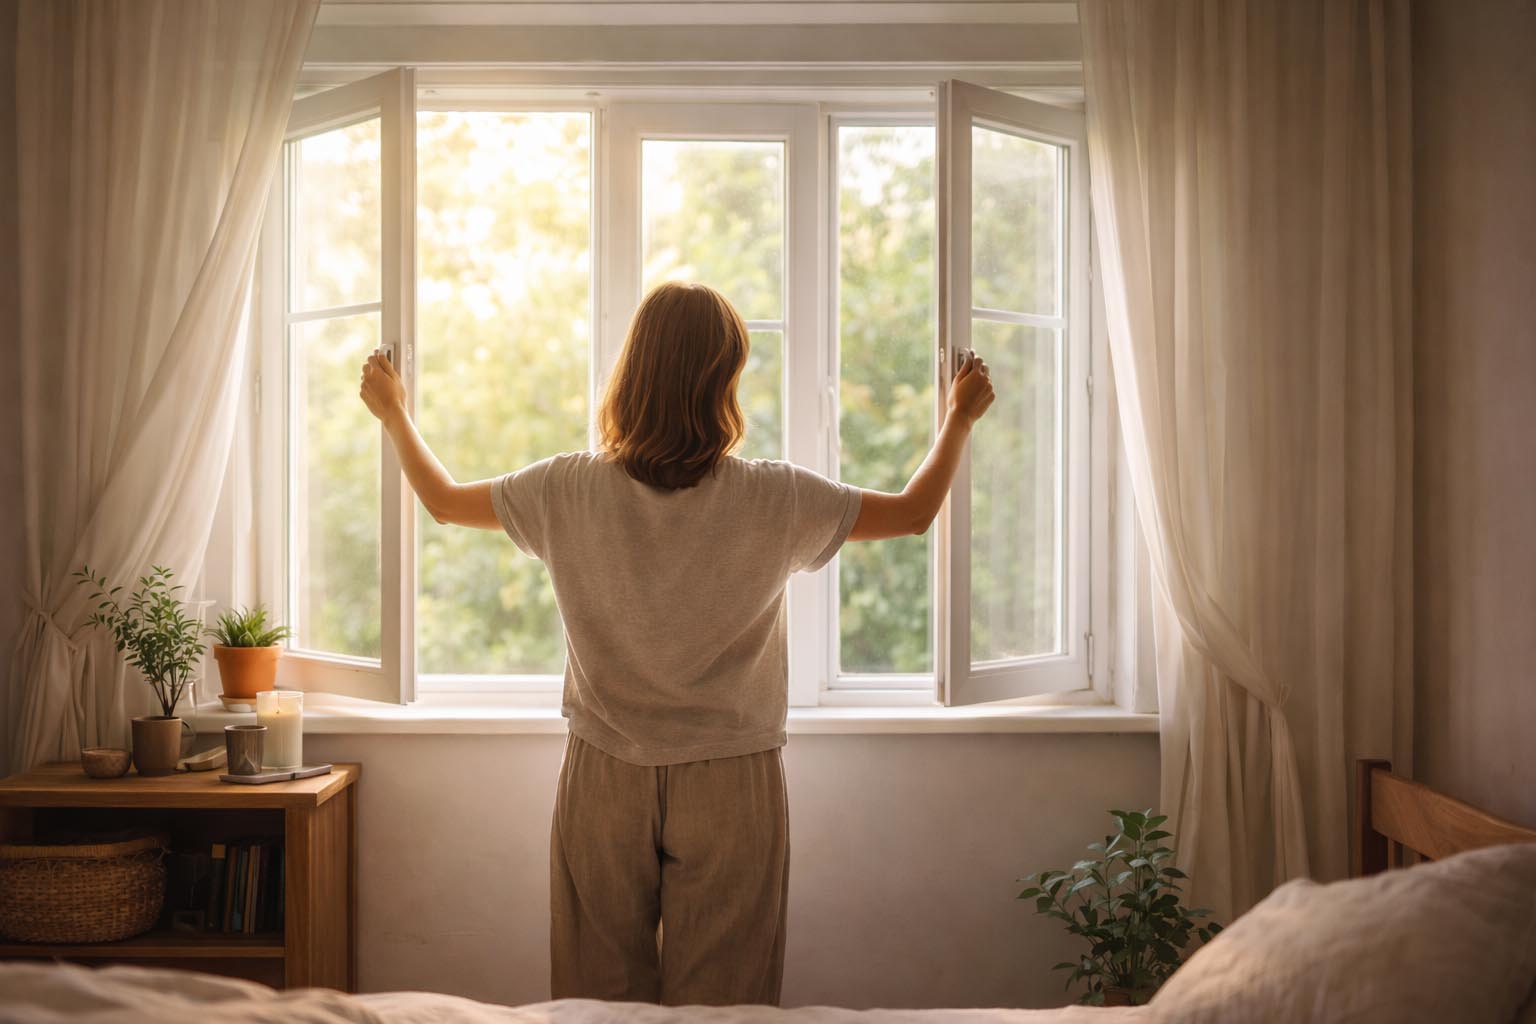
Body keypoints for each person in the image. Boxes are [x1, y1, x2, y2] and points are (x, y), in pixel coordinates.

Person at [359, 280, 995, 1007]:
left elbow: (441, 502)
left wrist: (394, 412)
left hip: (604, 772)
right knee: (723, 1006)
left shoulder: (567, 489)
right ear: (723, 381)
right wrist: (958, 418)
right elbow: (914, 514)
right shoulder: (775, 496)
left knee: (596, 1004)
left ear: (634, 374)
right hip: (731, 778)